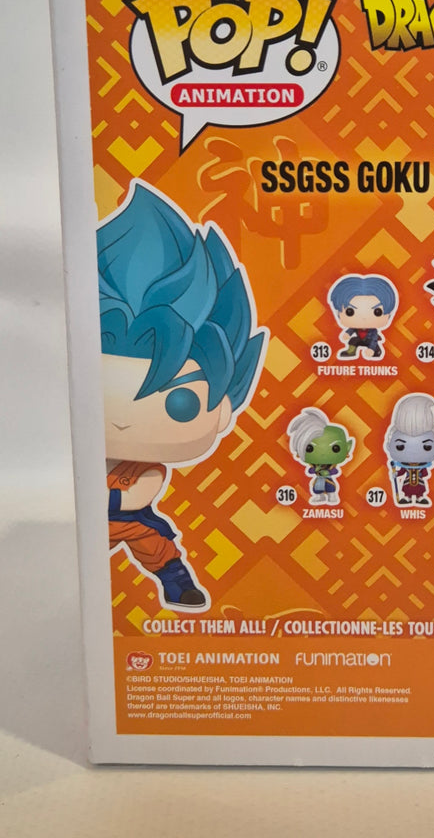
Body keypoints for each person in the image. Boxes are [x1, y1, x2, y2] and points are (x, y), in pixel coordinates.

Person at [99, 182, 267, 609]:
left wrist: (103, 497)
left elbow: (138, 494)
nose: (121, 420)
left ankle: (176, 582)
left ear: (222, 409)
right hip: (70, 530)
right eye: (99, 392)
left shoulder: (144, 470)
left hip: (125, 520)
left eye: (181, 402)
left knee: (155, 545)